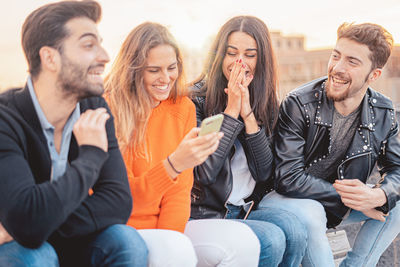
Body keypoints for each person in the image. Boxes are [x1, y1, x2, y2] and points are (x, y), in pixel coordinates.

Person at [0, 1, 148, 267]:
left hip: (51, 238)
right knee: (36, 257)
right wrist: (90, 156)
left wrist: (35, 224)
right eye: (88, 45)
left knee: (126, 242)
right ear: (50, 58)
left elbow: (118, 202)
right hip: (16, 251)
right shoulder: (5, 120)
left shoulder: (94, 108)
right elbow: (28, 226)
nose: (104, 56)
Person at [105, 22, 261, 267]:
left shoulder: (181, 107)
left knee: (245, 242)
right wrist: (172, 165)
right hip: (122, 228)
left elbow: (179, 192)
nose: (166, 79)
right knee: (175, 250)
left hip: (170, 226)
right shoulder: (109, 110)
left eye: (171, 67)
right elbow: (120, 200)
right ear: (134, 69)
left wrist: (170, 236)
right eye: (154, 70)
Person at [259, 22, 400, 267]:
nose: (337, 68)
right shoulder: (299, 103)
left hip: (336, 205)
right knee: (312, 213)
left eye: (352, 62)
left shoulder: (384, 111)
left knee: (396, 204)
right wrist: (353, 201)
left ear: (374, 75)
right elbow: (287, 178)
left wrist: (377, 195)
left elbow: (397, 170)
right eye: (336, 56)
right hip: (283, 200)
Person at [188, 15, 307, 267]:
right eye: (231, 53)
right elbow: (204, 172)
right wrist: (230, 113)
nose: (239, 62)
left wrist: (248, 115)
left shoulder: (266, 103)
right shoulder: (195, 100)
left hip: (246, 209)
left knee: (295, 231)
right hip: (206, 214)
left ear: (261, 59)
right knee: (272, 239)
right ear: (219, 55)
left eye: (249, 55)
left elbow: (264, 173)